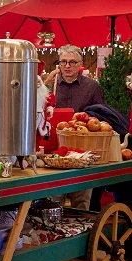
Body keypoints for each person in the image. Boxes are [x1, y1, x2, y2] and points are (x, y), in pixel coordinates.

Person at [47, 45, 106, 210]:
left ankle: (83, 233)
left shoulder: (92, 87)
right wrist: (44, 86)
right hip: (55, 151)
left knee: (81, 202)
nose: (67, 66)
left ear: (80, 64)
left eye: (72, 62)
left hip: (82, 152)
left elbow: (101, 116)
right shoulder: (51, 86)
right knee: (54, 201)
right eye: (63, 62)